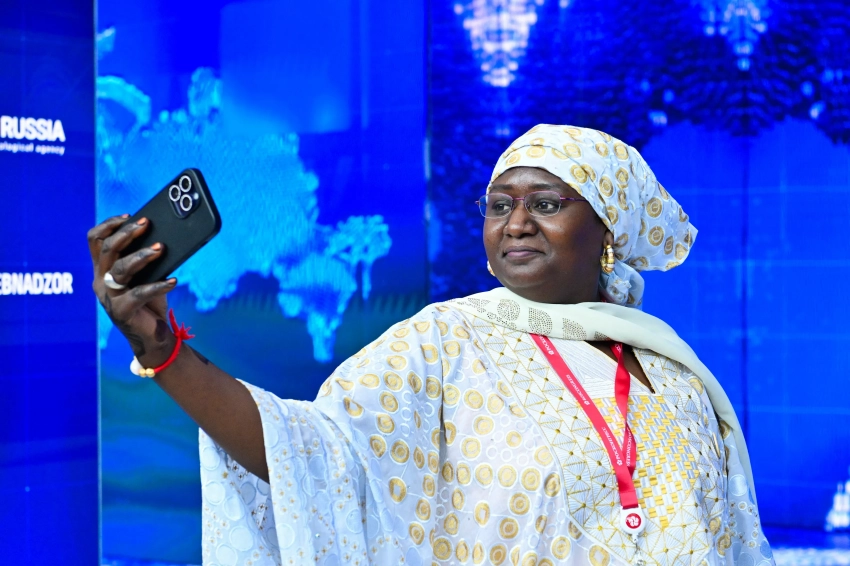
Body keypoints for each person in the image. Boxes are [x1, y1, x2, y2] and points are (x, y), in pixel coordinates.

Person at [89, 124, 774, 566]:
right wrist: (162, 348)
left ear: (609, 234)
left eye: (546, 203)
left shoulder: (675, 375)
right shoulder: (444, 342)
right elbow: (310, 452)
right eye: (500, 205)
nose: (516, 223)